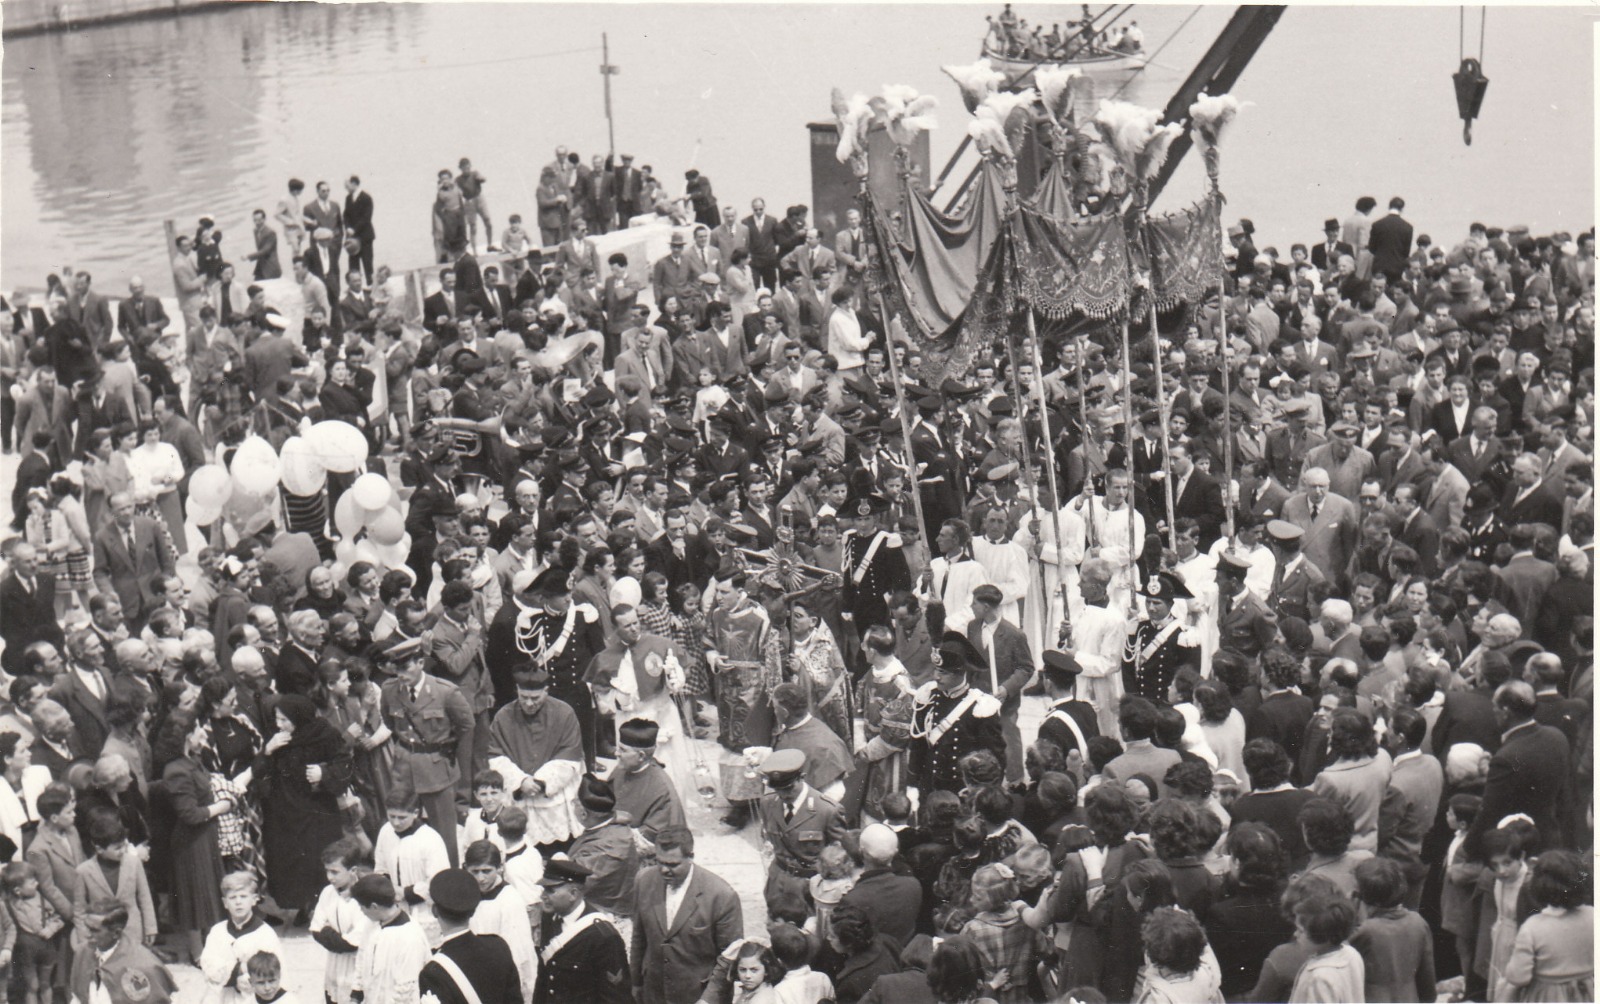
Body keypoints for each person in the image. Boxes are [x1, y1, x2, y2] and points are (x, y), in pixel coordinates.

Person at [376, 636, 474, 867]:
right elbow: (390, 722)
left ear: (420, 662)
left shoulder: (445, 692)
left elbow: (466, 725)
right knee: (402, 823)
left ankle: (447, 879)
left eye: (406, 667)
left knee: (443, 832)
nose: (401, 674)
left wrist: (445, 746)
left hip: (435, 767)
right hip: (403, 766)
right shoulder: (390, 690)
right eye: (396, 668)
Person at [258, 694, 353, 917]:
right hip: (286, 812)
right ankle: (302, 905)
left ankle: (321, 907)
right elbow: (261, 772)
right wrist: (268, 751)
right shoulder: (277, 738)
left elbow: (345, 764)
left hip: (318, 811)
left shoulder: (325, 735)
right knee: (293, 860)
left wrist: (324, 773)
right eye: (277, 720)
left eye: (284, 720)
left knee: (317, 859)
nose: (279, 725)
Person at [630, 827, 743, 1004]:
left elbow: (729, 957)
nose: (664, 870)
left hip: (697, 996)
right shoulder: (643, 880)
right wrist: (635, 983)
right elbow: (639, 937)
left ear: (691, 857)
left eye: (673, 864)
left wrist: (708, 1000)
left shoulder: (721, 895)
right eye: (659, 862)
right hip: (654, 993)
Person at [485, 664, 585, 849]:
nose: (529, 703)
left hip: (552, 797)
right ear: (517, 690)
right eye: (524, 697)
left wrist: (540, 782)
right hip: (519, 794)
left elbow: (570, 756)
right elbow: (496, 756)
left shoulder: (564, 713)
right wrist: (521, 781)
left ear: (546, 691)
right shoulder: (503, 716)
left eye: (535, 698)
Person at [532, 857, 632, 1004]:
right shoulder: (550, 920)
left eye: (550, 890)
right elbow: (544, 982)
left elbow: (615, 998)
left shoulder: (603, 936)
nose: (543, 896)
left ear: (573, 894)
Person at [69, 897, 176, 1004]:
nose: (87, 935)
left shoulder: (145, 965)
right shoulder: (82, 952)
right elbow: (78, 997)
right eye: (87, 928)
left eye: (94, 930)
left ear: (116, 933)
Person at [198, 871, 282, 1003]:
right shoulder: (218, 932)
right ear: (225, 902)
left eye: (243, 896)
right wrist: (237, 970)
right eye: (232, 898)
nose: (238, 902)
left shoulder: (264, 934)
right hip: (222, 996)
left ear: (254, 899)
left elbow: (274, 970)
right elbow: (208, 964)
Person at [350, 872, 431, 1004]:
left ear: (374, 906)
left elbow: (406, 991)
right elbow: (361, 961)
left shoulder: (409, 937)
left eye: (361, 907)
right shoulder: (371, 925)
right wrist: (355, 997)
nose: (361, 911)